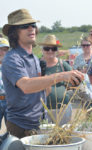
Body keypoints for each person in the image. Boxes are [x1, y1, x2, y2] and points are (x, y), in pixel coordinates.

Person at [1, 9, 84, 138]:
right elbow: (26, 86)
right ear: (14, 32)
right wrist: (61, 76)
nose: (31, 28)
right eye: (25, 26)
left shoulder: (34, 58)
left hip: (39, 124)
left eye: (33, 25)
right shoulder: (12, 58)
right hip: (20, 126)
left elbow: (44, 92)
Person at [39, 34, 72, 125]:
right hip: (43, 110)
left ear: (57, 50)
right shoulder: (37, 65)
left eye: (53, 48)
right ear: (42, 49)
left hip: (63, 109)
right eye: (47, 48)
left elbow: (74, 79)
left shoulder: (62, 64)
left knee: (63, 136)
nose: (50, 51)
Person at [74, 36, 92, 101]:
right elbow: (74, 71)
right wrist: (81, 72)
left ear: (91, 45)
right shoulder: (78, 58)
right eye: (83, 45)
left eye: (87, 45)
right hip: (82, 83)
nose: (85, 47)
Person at [0, 38, 9, 129]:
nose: (2, 52)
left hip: (9, 100)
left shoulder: (13, 66)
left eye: (5, 50)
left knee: (12, 130)